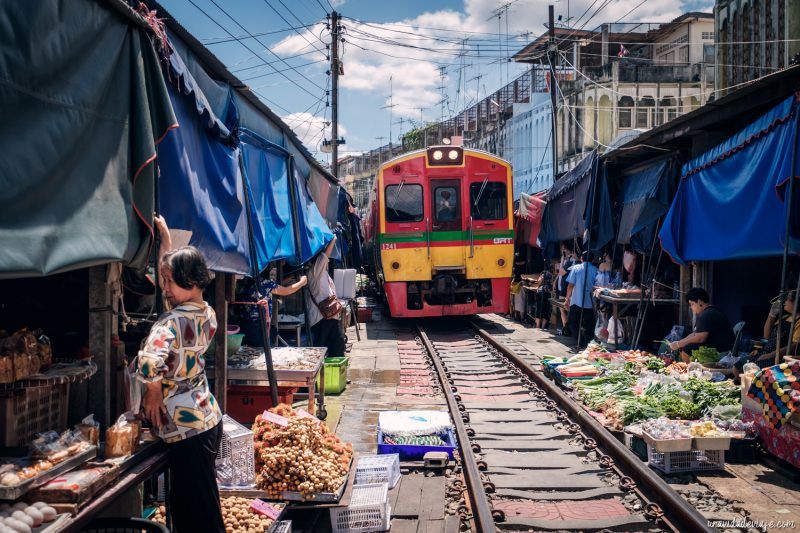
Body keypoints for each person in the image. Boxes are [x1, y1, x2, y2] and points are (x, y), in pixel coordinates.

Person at [137, 216, 224, 533]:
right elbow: (171, 287)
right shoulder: (206, 312)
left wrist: (153, 391)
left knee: (196, 515)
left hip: (185, 429)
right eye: (164, 280)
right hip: (206, 419)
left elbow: (149, 362)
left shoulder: (170, 323)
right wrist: (167, 244)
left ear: (189, 282)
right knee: (200, 503)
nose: (165, 288)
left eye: (170, 281)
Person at [235, 270, 308, 347]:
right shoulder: (265, 283)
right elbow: (286, 291)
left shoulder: (243, 283)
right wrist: (302, 282)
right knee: (262, 352)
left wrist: (287, 279)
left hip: (243, 324)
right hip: (259, 326)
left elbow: (273, 287)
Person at [668, 287, 734, 363]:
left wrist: (679, 344)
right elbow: (695, 334)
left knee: (687, 349)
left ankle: (691, 372)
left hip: (723, 351)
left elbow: (700, 338)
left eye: (692, 304)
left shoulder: (706, 314)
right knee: (684, 345)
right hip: (722, 346)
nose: (691, 308)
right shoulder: (711, 311)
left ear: (699, 302)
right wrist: (679, 342)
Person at [305, 237, 346, 358]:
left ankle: (337, 374)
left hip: (330, 316)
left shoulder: (321, 272)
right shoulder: (315, 270)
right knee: (321, 350)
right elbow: (324, 256)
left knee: (338, 347)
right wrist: (333, 238)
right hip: (321, 318)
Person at [565, 252, 599, 348]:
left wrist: (567, 299)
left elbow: (570, 285)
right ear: (592, 260)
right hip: (590, 303)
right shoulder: (596, 270)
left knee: (573, 323)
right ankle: (587, 344)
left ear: (581, 259)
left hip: (576, 301)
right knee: (589, 325)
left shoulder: (576, 268)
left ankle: (581, 342)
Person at [556, 244, 577, 334]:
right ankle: (567, 327)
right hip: (568, 287)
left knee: (563, 308)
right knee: (567, 308)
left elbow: (561, 272)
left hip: (565, 287)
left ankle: (566, 328)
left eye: (565, 250)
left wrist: (564, 261)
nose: (564, 252)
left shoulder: (570, 261)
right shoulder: (575, 262)